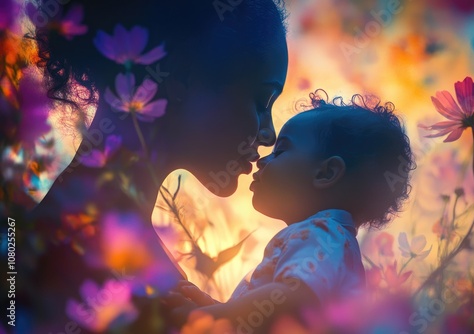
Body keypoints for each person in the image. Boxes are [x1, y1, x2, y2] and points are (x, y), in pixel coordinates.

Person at [22, 0, 288, 332]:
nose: (269, 134)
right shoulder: (74, 251)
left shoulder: (77, 231)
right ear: (180, 76)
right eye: (262, 100)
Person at [166, 92, 415, 332]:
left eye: (281, 150)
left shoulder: (322, 234)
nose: (262, 159)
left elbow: (295, 300)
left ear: (326, 173)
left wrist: (207, 316)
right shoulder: (336, 241)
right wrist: (218, 309)